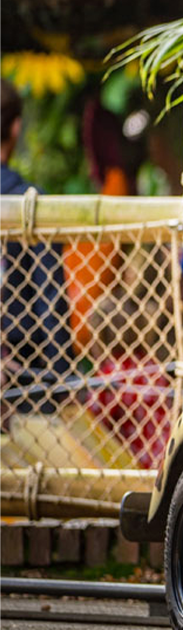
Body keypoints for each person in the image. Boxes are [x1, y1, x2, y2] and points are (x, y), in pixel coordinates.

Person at [0, 79, 74, 411]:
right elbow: (49, 294)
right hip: (23, 368)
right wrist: (63, 379)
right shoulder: (29, 201)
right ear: (15, 127)